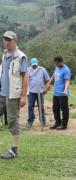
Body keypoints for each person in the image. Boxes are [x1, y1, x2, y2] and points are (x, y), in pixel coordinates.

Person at [0, 31, 28, 159]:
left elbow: (25, 76)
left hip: (13, 94)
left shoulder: (20, 57)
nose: (6, 42)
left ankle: (14, 149)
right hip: (2, 93)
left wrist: (23, 96)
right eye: (5, 40)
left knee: (12, 120)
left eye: (9, 40)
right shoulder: (4, 54)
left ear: (15, 41)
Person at [47, 56, 71, 130]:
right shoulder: (57, 67)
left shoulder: (66, 70)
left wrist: (65, 90)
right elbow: (54, 76)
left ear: (61, 62)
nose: (56, 65)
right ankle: (57, 122)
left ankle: (64, 124)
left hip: (62, 93)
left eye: (57, 63)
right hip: (56, 92)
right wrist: (49, 83)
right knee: (55, 108)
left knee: (64, 109)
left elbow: (67, 81)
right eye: (55, 64)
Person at [27, 58, 50, 127]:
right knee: (30, 106)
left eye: (35, 65)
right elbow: (25, 81)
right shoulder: (28, 70)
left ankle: (43, 121)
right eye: (33, 65)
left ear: (37, 64)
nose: (34, 66)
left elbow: (47, 80)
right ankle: (30, 122)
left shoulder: (42, 69)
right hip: (31, 91)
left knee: (41, 106)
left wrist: (46, 88)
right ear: (31, 64)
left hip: (40, 91)